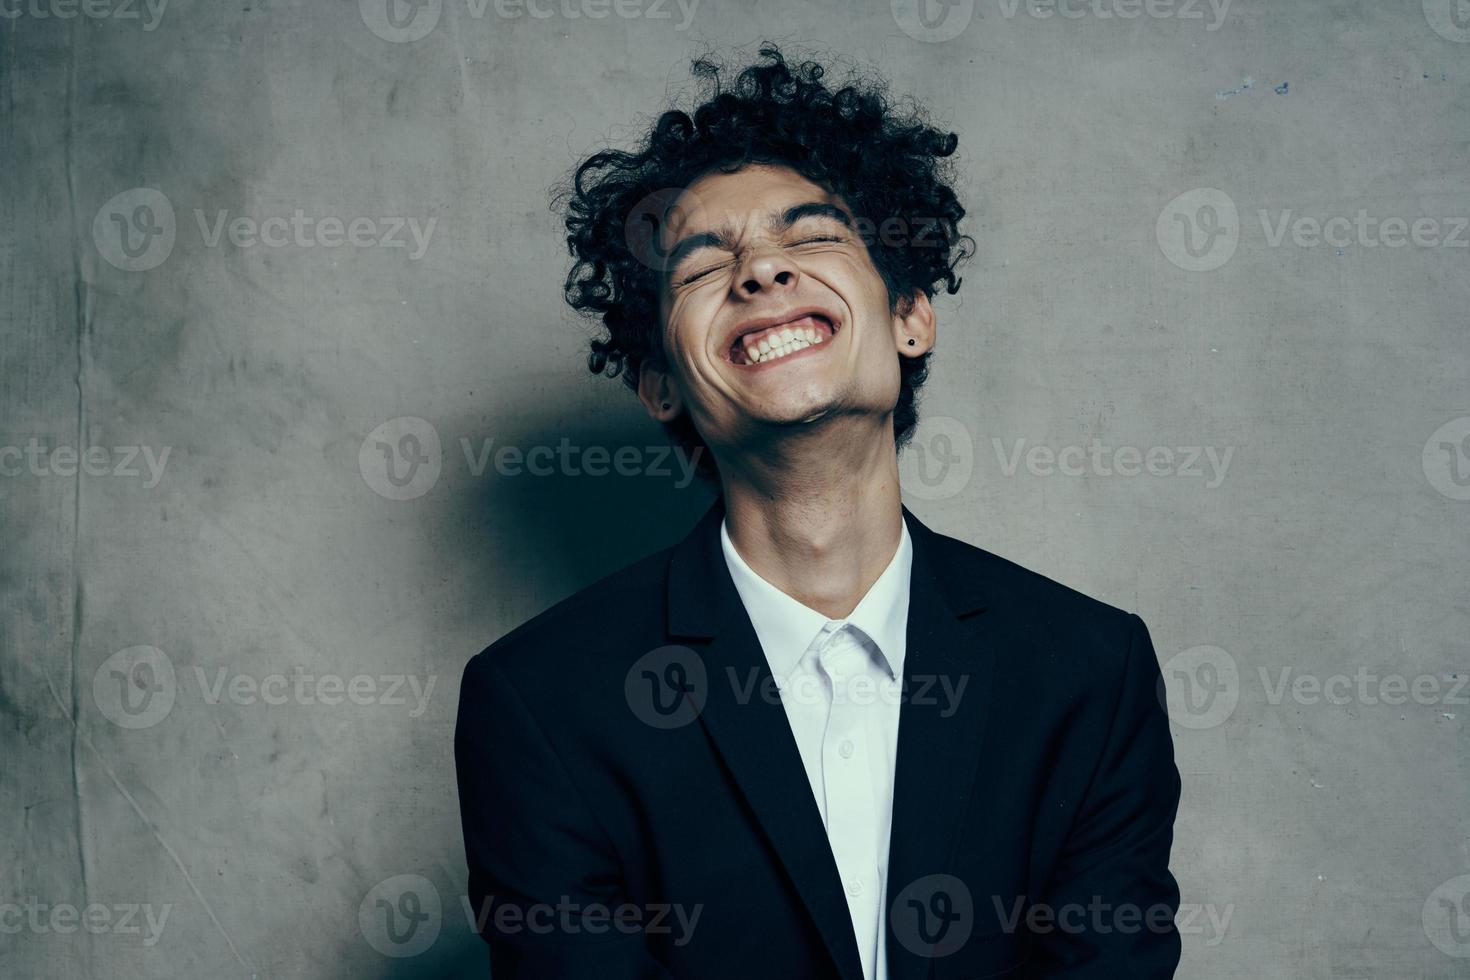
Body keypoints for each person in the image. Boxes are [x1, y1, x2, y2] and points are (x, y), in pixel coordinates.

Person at [454, 45, 1182, 980]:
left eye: (810, 237)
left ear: (910, 314)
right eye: (702, 266)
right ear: (660, 386)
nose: (761, 271)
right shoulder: (541, 703)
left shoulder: (1090, 671)